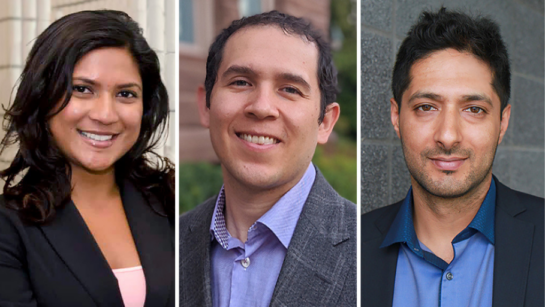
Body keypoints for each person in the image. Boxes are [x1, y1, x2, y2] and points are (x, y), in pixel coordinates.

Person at [360, 8, 543, 307]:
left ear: (503, 122)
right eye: (426, 107)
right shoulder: (357, 244)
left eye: (474, 109)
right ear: (396, 116)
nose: (447, 135)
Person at [179, 10, 356, 307]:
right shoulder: (172, 241)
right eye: (240, 82)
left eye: (289, 89)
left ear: (325, 122)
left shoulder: (366, 252)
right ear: (206, 106)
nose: (261, 107)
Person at [0, 10, 174, 306]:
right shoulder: (9, 226)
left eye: (126, 94)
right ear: (43, 97)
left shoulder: (169, 198)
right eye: (82, 89)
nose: (105, 115)